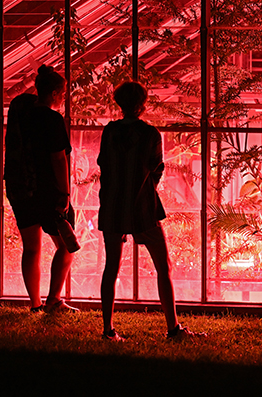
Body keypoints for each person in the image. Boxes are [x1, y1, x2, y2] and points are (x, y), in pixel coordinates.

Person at [98, 81, 204, 341]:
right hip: (143, 208)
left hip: (112, 206)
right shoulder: (150, 134)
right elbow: (156, 169)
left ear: (119, 104)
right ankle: (173, 328)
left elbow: (104, 165)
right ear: (143, 104)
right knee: (162, 266)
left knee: (111, 267)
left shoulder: (109, 132)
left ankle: (108, 330)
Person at [5, 65, 80, 313]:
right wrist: (65, 194)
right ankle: (53, 299)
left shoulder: (22, 114)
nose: (64, 97)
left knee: (31, 247)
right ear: (54, 93)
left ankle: (35, 303)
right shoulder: (52, 119)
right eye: (63, 93)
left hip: (22, 189)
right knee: (67, 245)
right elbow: (58, 158)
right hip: (49, 191)